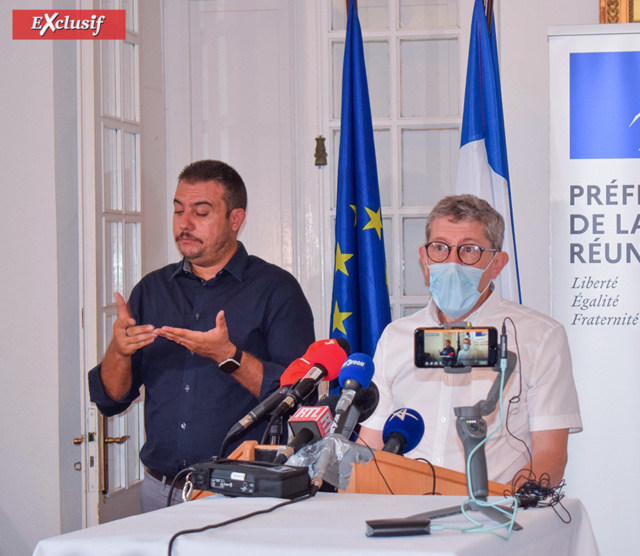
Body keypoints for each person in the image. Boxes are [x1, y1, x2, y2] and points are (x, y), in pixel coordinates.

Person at [88, 160, 315, 512]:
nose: (184, 223)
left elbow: (300, 398)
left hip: (241, 493)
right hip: (159, 491)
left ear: (235, 219)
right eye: (178, 210)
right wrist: (118, 351)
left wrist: (229, 357)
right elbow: (111, 400)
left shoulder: (277, 291)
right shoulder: (151, 290)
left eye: (201, 212)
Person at [361, 195, 582, 485]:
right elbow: (371, 444)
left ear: (497, 264)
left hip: (496, 515)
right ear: (425, 259)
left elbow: (550, 453)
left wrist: (506, 509)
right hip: (405, 512)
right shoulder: (396, 336)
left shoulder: (539, 336)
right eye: (439, 248)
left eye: (469, 250)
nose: (452, 262)